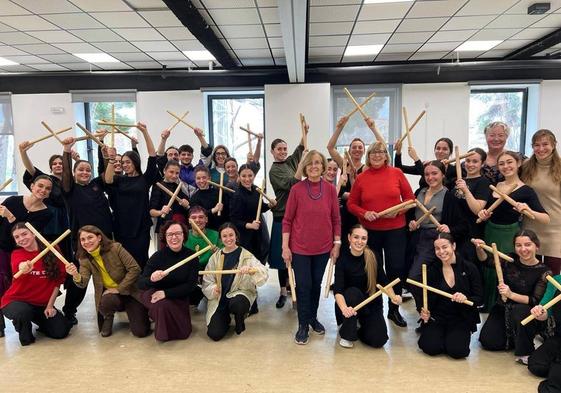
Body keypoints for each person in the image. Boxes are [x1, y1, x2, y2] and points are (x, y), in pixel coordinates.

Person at [348, 141, 415, 327]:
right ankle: (373, 309)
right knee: (372, 270)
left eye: (380, 152)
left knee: (396, 269)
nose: (376, 155)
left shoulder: (397, 173)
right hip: (371, 232)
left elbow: (411, 199)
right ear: (368, 157)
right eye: (372, 152)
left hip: (395, 231)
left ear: (386, 155)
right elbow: (351, 204)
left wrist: (399, 211)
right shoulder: (362, 177)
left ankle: (394, 310)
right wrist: (364, 213)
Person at [477, 150, 549, 311]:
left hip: (509, 234)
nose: (505, 166)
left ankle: (504, 305)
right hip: (490, 231)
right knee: (488, 268)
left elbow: (545, 218)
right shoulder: (496, 186)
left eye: (509, 162)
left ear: (518, 164)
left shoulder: (526, 190)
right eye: (501, 163)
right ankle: (488, 306)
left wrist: (527, 208)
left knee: (506, 269)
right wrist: (484, 213)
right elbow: (489, 210)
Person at [283, 150, 341, 345]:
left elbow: (336, 219)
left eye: (317, 163)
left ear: (323, 166)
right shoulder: (296, 190)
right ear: (305, 167)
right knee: (304, 286)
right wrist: (285, 247)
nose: (314, 166)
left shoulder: (331, 190)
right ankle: (302, 325)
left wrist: (337, 244)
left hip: (323, 248)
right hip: (299, 248)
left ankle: (312, 318)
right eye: (310, 163)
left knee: (316, 285)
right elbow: (287, 220)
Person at [476, 230, 551, 365]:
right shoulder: (510, 259)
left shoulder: (544, 271)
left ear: (537, 246)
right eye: (518, 245)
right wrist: (479, 248)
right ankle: (514, 337)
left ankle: (525, 348)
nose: (523, 249)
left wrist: (511, 294)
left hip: (526, 311)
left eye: (528, 245)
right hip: (503, 307)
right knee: (488, 342)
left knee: (520, 312)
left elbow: (534, 300)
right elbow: (486, 261)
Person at [66, 225, 150, 338]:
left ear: (99, 237)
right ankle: (108, 317)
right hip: (111, 296)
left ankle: (140, 313)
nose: (86, 242)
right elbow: (83, 283)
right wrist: (75, 274)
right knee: (106, 300)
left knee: (141, 332)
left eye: (90, 237)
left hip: (131, 292)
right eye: (83, 239)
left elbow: (135, 269)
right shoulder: (84, 258)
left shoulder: (115, 248)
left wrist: (119, 289)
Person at [1, 223, 70, 345]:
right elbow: (19, 266)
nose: (21, 239)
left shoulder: (52, 249)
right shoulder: (16, 254)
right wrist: (24, 267)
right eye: (17, 237)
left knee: (61, 331)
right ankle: (23, 327)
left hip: (42, 304)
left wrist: (50, 306)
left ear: (34, 234)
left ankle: (38, 321)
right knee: (22, 312)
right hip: (16, 300)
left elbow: (57, 281)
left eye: (24, 234)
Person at [0, 175, 53, 335]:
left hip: (21, 252)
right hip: (1, 247)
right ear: (32, 186)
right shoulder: (11, 201)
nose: (43, 190)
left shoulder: (46, 213)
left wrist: (10, 217)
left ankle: (21, 318)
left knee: (17, 285)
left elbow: (25, 234)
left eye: (47, 189)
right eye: (40, 186)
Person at [416, 233, 483, 359]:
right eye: (437, 248)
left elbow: (479, 298)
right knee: (430, 348)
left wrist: (466, 299)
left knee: (457, 352)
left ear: (454, 246)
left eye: (445, 247)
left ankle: (451, 337)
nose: (441, 252)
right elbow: (424, 297)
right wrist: (424, 311)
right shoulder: (431, 269)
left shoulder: (469, 268)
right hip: (438, 316)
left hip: (460, 317)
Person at [334, 225, 402, 349]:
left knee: (378, 340)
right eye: (356, 237)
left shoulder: (373, 256)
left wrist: (394, 297)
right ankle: (347, 333)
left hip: (371, 304)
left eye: (363, 238)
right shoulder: (342, 259)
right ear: (349, 238)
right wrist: (344, 309)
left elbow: (385, 282)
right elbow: (338, 291)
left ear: (367, 240)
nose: (360, 241)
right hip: (349, 305)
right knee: (352, 292)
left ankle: (359, 326)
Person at [202, 223, 268, 341]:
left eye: (231, 235)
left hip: (238, 295)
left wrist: (251, 271)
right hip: (219, 298)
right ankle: (225, 318)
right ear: (221, 239)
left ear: (236, 236)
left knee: (238, 304)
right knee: (214, 334)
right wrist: (213, 289)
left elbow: (263, 272)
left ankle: (239, 318)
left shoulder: (246, 255)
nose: (228, 239)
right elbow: (207, 280)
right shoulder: (215, 257)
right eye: (225, 236)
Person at [105, 122, 158, 268]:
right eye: (123, 163)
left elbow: (152, 156)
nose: (125, 165)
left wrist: (145, 132)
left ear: (135, 162)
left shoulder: (144, 179)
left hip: (141, 226)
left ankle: (140, 289)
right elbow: (107, 180)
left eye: (128, 162)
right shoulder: (118, 179)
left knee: (140, 259)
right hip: (121, 227)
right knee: (123, 261)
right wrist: (111, 159)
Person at [407, 160, 469, 285]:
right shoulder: (419, 192)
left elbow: (463, 224)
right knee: (408, 273)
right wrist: (411, 223)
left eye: (434, 173)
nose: (430, 177)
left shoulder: (450, 196)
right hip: (416, 237)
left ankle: (426, 304)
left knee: (414, 277)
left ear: (443, 175)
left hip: (434, 238)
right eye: (427, 174)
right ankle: (422, 304)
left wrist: (449, 228)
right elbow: (409, 215)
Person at [137, 221, 199, 342]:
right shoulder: (157, 256)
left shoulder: (191, 256)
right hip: (154, 292)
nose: (174, 237)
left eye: (177, 233)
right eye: (170, 234)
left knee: (184, 333)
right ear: (165, 237)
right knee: (161, 306)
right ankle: (162, 333)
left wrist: (166, 293)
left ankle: (158, 317)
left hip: (178, 295)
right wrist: (152, 278)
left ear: (184, 235)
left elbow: (191, 285)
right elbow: (141, 283)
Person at [269, 137, 304, 309]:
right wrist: (301, 163)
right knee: (281, 258)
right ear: (272, 152)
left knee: (297, 255)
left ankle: (296, 290)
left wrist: (304, 132)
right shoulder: (274, 171)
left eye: (284, 149)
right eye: (279, 149)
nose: (283, 152)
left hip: (297, 217)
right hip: (281, 218)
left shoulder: (290, 163)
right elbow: (293, 184)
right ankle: (283, 291)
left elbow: (300, 149)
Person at [521, 129, 561, 275]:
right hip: (530, 227)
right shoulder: (525, 167)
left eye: (545, 144)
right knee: (531, 275)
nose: (541, 149)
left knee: (553, 276)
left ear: (554, 145)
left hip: (556, 230)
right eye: (537, 145)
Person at [454, 147, 491, 262]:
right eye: (468, 161)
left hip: (472, 233)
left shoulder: (483, 182)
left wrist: (466, 190)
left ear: (482, 164)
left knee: (470, 267)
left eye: (475, 161)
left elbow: (477, 209)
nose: (470, 164)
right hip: (456, 231)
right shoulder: (460, 180)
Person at [527, 274, 561, 392]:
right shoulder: (556, 280)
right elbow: (545, 310)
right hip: (559, 336)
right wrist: (539, 312)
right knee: (536, 365)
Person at [184, 206, 222, 307]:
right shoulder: (183, 236)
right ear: (189, 221)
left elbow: (226, 257)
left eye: (201, 217)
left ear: (206, 219)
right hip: (190, 272)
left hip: (210, 272)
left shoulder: (216, 235)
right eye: (194, 217)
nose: (197, 220)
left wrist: (218, 254)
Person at [149, 159, 190, 247]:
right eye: (171, 172)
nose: (174, 175)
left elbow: (188, 207)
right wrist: (161, 212)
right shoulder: (158, 186)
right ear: (164, 171)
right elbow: (151, 212)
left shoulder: (180, 186)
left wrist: (186, 205)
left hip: (179, 226)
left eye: (177, 173)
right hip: (164, 226)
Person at [189, 165, 229, 230]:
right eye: (198, 178)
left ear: (209, 178)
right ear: (195, 180)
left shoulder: (219, 192)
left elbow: (228, 213)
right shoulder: (194, 198)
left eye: (204, 178)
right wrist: (214, 210)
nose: (201, 181)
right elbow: (197, 217)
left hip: (222, 230)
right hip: (206, 231)